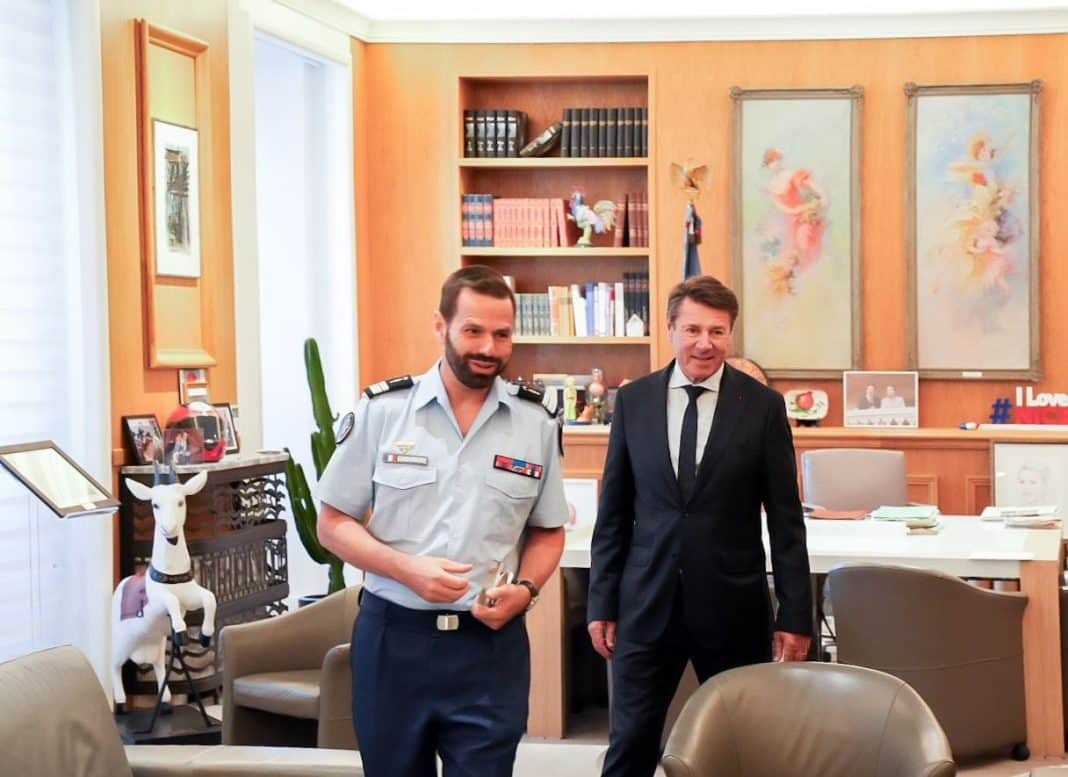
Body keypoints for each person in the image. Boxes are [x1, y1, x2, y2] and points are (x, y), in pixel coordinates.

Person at [315, 265, 567, 777]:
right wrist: (406, 569)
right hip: (394, 641)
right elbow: (332, 522)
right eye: (473, 330)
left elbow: (548, 530)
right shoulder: (384, 411)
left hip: (489, 648)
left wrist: (526, 590)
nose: (489, 348)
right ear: (440, 325)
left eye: (502, 334)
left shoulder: (536, 422)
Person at [587, 275, 812, 777]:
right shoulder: (634, 401)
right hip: (645, 605)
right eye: (692, 330)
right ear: (670, 328)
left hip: (732, 606)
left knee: (740, 747)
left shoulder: (762, 407)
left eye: (717, 331)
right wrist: (602, 601)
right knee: (629, 746)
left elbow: (786, 521)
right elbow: (614, 515)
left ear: (730, 334)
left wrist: (795, 614)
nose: (704, 344)